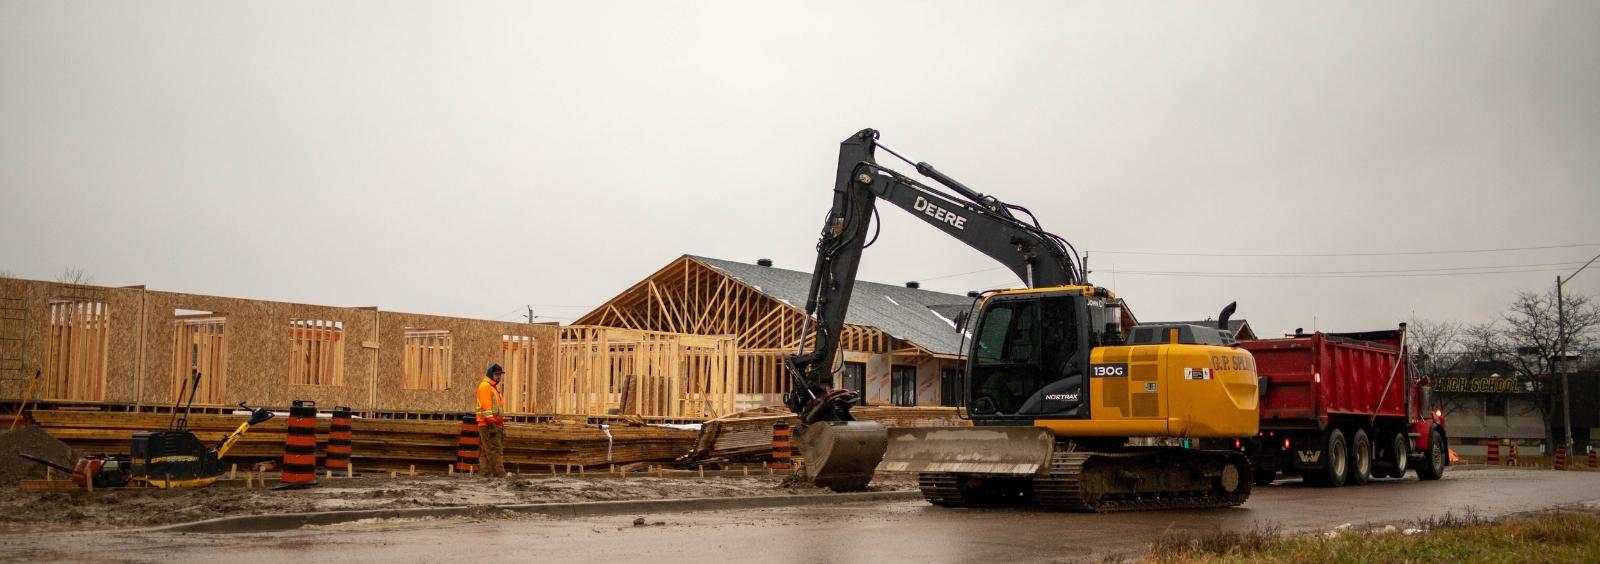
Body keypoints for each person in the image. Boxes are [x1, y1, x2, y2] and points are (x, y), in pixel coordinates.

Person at [476, 363, 508, 477]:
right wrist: (491, 424)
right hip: (488, 424)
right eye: (496, 374)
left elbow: (496, 408)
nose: (499, 376)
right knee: (495, 450)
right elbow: (486, 407)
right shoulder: (485, 386)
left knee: (486, 451)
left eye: (500, 374)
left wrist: (500, 422)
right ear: (491, 374)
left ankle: (484, 474)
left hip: (492, 423)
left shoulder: (494, 388)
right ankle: (500, 474)